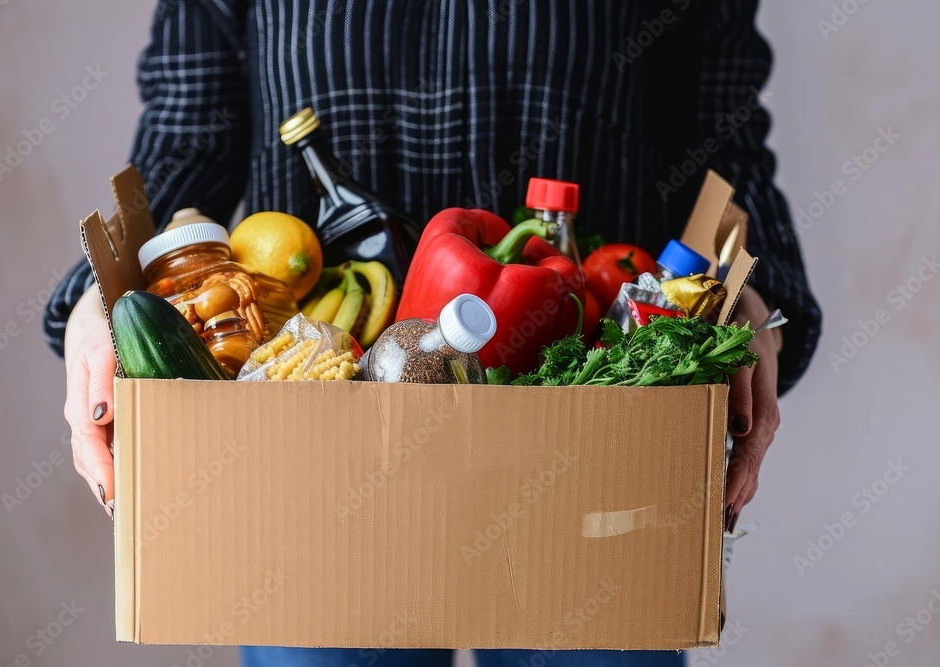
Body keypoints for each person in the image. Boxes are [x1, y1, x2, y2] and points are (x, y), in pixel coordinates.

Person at [46, 1, 821, 665]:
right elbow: (188, 134)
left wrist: (754, 298)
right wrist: (99, 299)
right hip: (314, 451)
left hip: (591, 434)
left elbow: (721, 137)